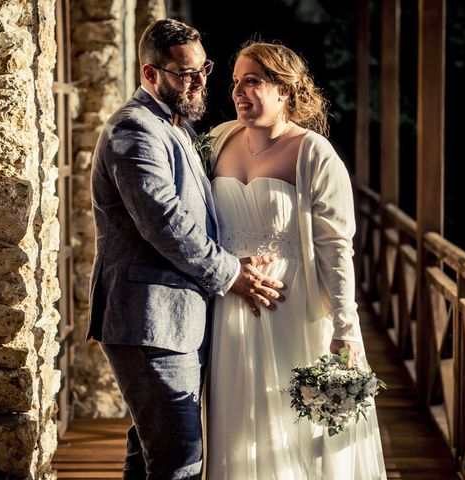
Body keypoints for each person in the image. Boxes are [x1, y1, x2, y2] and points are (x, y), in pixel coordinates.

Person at [88, 21, 285, 480]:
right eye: (184, 73)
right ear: (150, 74)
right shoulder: (134, 130)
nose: (198, 82)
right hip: (149, 321)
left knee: (150, 455)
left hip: (174, 321)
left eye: (203, 70)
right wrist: (232, 273)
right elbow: (166, 223)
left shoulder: (174, 127)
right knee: (180, 461)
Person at [206, 41, 387, 479]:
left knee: (300, 429)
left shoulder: (314, 154)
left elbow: (335, 248)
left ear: (285, 89)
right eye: (235, 83)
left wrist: (345, 328)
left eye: (253, 81)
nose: (239, 92)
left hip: (296, 311)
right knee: (238, 425)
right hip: (230, 309)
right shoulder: (217, 141)